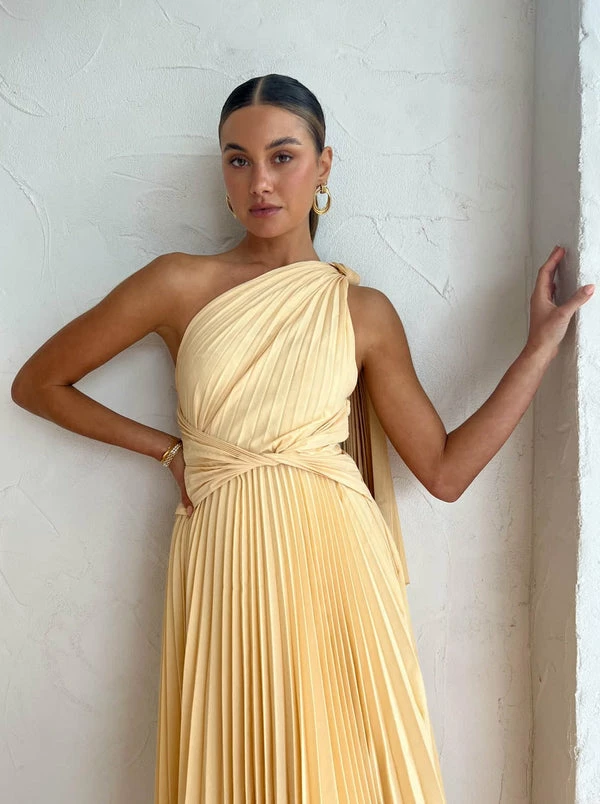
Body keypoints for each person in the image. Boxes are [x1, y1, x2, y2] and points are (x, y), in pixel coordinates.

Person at [10, 73, 594, 803]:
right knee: (238, 764)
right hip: (226, 555)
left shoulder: (362, 311)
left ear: (323, 167)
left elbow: (445, 471)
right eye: (238, 160)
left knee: (346, 771)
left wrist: (537, 348)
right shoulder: (177, 283)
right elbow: (38, 384)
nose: (259, 181)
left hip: (338, 562)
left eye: (282, 157)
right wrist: (168, 450)